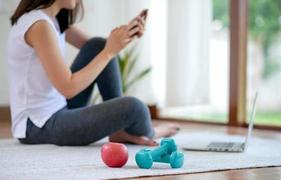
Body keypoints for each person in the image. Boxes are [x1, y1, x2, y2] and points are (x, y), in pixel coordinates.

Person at [7, 0, 179, 146]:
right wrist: (109, 51)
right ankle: (150, 131)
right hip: (37, 125)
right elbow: (68, 88)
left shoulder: (51, 20)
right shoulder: (39, 26)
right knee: (135, 108)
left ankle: (119, 131)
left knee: (98, 45)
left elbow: (99, 49)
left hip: (58, 108)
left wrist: (125, 36)